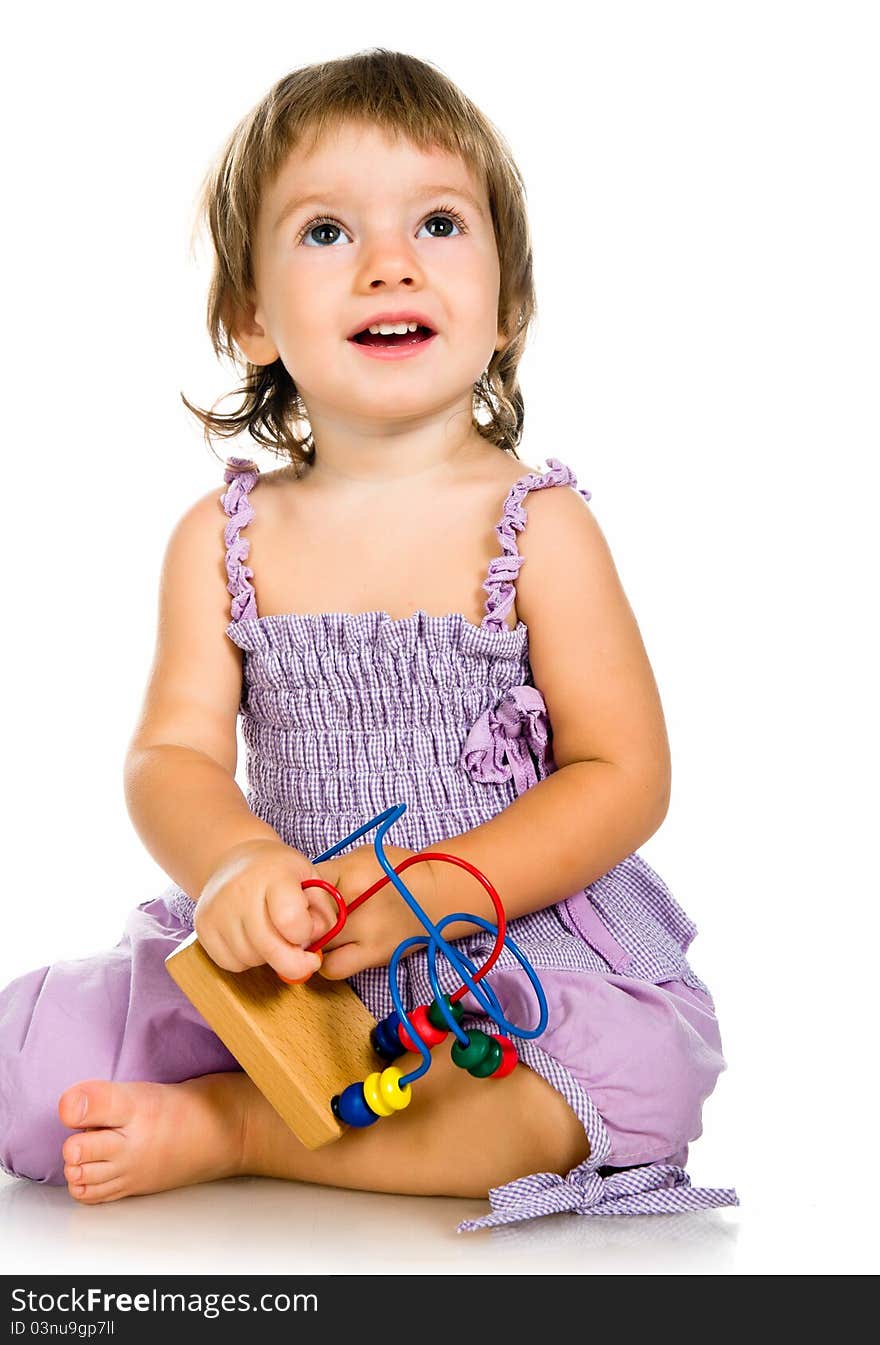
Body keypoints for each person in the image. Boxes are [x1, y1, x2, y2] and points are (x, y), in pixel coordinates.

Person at [0, 48, 737, 1228]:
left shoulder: (538, 530)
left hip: (503, 944)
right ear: (249, 315)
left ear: (507, 305)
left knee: (620, 1090)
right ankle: (283, 1081)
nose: (389, 261)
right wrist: (238, 868)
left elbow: (624, 773)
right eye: (328, 233)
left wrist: (440, 889)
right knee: (38, 1076)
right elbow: (171, 756)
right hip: (297, 954)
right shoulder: (222, 538)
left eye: (438, 223)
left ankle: (242, 1128)